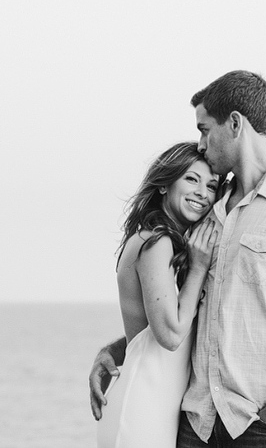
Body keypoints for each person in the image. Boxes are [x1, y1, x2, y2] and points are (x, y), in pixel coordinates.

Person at [90, 71, 266, 447]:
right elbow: (195, 313)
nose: (201, 145)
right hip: (196, 425)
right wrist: (120, 350)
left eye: (205, 130)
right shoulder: (206, 208)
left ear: (235, 124)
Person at [96, 142, 222, 448]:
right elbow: (169, 334)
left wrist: (111, 351)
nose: (202, 193)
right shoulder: (157, 242)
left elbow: (143, 332)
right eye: (191, 179)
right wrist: (199, 267)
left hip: (157, 407)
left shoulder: (159, 240)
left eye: (212, 185)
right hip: (143, 408)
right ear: (165, 184)